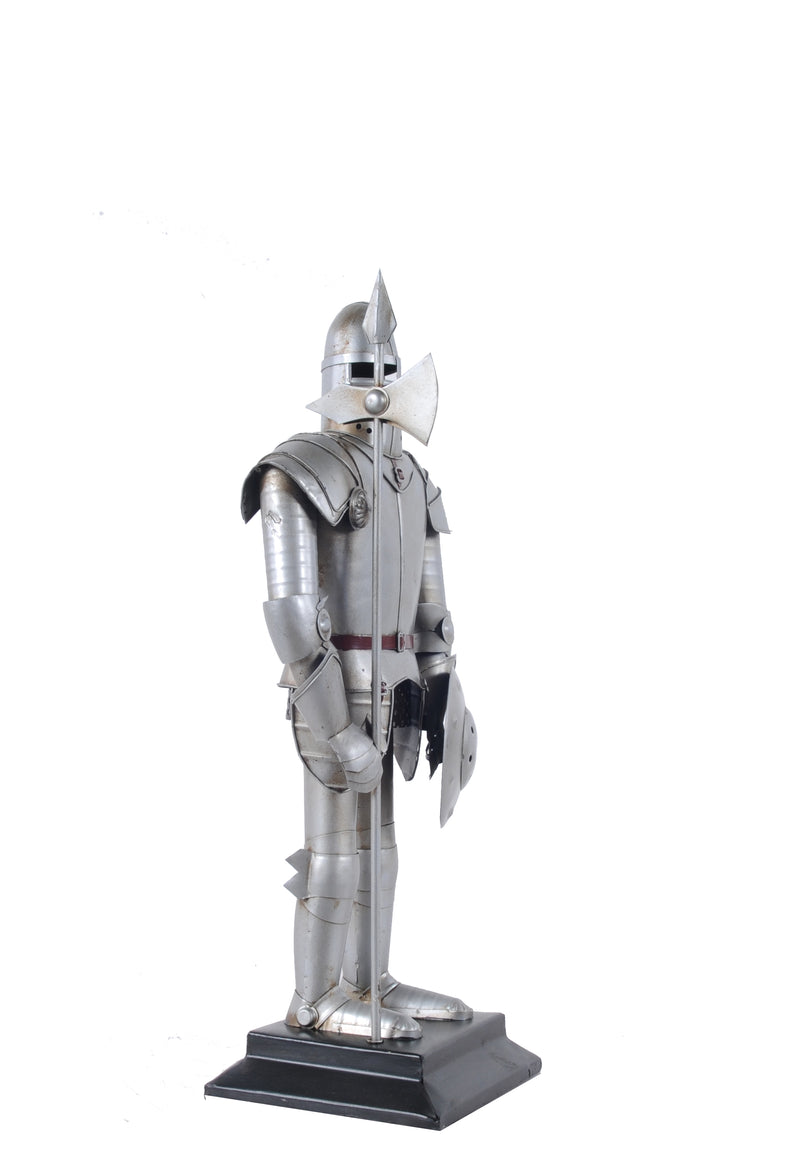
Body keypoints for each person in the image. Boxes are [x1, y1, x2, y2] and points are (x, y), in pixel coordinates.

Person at [240, 290, 476, 1039]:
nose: (380, 387)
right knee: (335, 853)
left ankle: (371, 982)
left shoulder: (413, 481)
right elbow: (291, 614)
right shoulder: (296, 469)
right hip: (332, 688)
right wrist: (338, 729)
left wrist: (444, 690)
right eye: (366, 369)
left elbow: (431, 609)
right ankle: (314, 1000)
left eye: (389, 370)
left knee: (381, 849)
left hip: (395, 688)